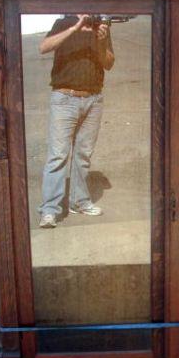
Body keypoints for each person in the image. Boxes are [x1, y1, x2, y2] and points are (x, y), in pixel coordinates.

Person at [38, 14, 115, 228]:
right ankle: (49, 210)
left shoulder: (101, 27)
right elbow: (44, 47)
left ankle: (79, 201)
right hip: (65, 98)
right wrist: (74, 28)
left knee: (83, 154)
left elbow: (108, 63)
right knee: (58, 155)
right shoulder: (63, 22)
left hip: (93, 99)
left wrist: (100, 41)